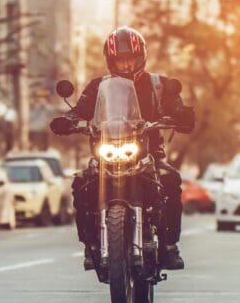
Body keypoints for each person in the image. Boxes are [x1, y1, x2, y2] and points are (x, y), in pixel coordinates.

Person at [57, 26, 192, 270]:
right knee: (82, 184)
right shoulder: (99, 86)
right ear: (111, 61)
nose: (127, 65)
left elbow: (174, 105)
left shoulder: (159, 84)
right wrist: (68, 120)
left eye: (131, 59)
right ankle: (91, 245)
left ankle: (169, 246)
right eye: (121, 60)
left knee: (170, 180)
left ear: (141, 56)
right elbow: (81, 110)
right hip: (107, 152)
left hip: (147, 154)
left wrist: (180, 114)